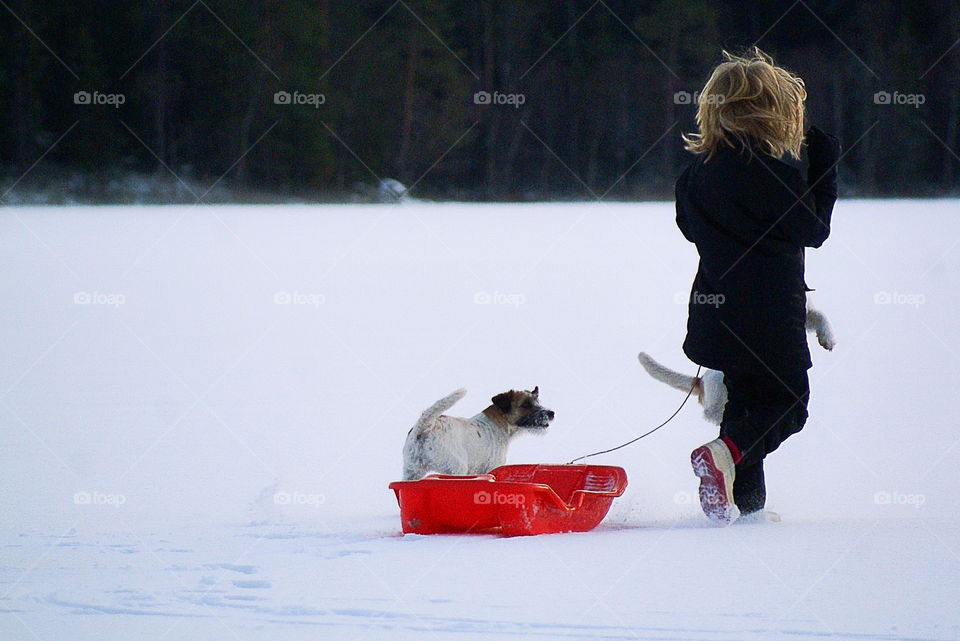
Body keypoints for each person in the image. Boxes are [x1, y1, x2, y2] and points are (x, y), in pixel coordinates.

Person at [674, 48, 840, 524]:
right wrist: (823, 168)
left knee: (745, 411)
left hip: (715, 312)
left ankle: (742, 514)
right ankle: (723, 458)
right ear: (771, 112)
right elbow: (814, 231)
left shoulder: (695, 173)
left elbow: (689, 228)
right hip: (768, 314)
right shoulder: (772, 174)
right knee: (788, 404)